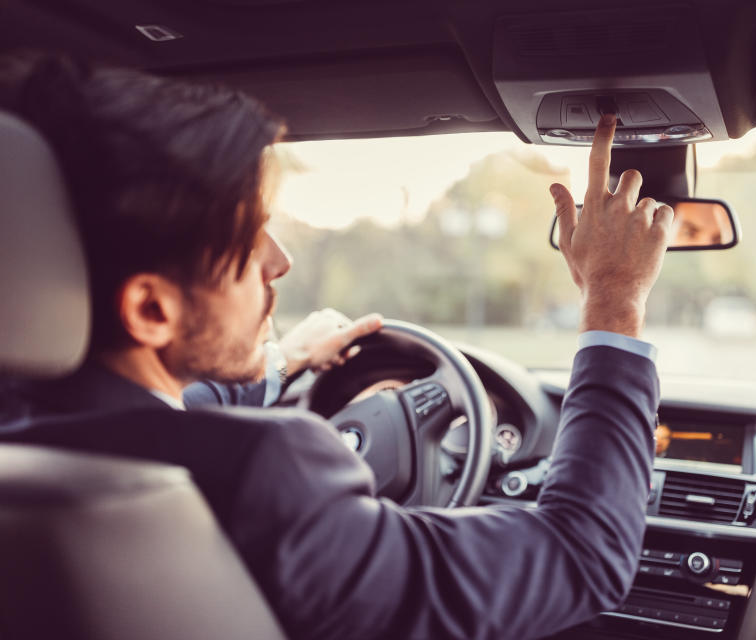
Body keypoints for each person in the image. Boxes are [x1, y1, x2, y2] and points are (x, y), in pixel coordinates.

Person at [0, 54, 673, 640]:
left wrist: (282, 362)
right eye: (248, 242)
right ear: (151, 309)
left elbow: (159, 410)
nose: (280, 262)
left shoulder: (26, 440)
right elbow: (582, 556)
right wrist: (613, 301)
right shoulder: (267, 473)